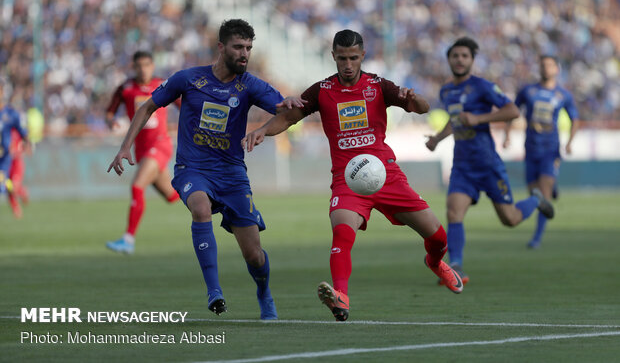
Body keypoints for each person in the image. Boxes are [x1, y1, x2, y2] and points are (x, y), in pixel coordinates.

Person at [243, 29, 464, 322]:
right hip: (348, 180)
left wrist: (415, 98)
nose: (348, 64)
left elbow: (421, 108)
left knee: (438, 237)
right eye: (342, 58)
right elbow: (288, 117)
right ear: (333, 56)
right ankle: (341, 298)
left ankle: (435, 262)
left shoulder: (378, 85)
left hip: (386, 176)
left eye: (353, 58)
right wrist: (261, 130)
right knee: (342, 232)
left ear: (362, 56)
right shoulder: (321, 90)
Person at [108, 19, 304, 320]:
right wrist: (124, 147)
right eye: (239, 47)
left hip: (232, 174)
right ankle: (214, 291)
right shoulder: (188, 79)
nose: (245, 54)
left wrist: (266, 127)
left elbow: (287, 114)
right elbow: (147, 107)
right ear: (221, 47)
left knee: (253, 254)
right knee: (200, 208)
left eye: (249, 48)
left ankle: (264, 292)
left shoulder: (250, 84)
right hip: (192, 167)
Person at [425, 37, 555, 284]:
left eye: (465, 56)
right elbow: (454, 120)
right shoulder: (446, 90)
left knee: (511, 219)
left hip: (488, 165)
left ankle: (536, 200)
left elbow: (513, 111)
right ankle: (456, 267)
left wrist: (479, 118)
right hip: (462, 166)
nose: (460, 60)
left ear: (472, 60)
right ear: (449, 59)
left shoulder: (483, 87)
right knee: (453, 212)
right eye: (455, 55)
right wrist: (437, 139)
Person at [105, 51, 180, 254]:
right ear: (134, 67)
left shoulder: (163, 85)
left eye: (147, 65)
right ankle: (211, 198)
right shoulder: (126, 89)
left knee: (137, 186)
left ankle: (128, 239)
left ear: (152, 66)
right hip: (141, 149)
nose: (143, 69)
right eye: (139, 66)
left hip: (160, 144)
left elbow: (184, 106)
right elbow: (109, 111)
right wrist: (111, 121)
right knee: (173, 195)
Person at [503, 55, 579, 248]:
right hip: (530, 148)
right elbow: (512, 111)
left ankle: (536, 238)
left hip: (550, 150)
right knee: (534, 195)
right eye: (543, 66)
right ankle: (552, 188)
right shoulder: (528, 91)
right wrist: (507, 135)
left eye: (550, 66)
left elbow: (574, 119)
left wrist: (569, 142)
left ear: (557, 69)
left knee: (542, 196)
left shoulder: (563, 95)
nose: (546, 69)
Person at [0, 81, 29, 210]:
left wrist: (28, 143)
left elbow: (22, 131)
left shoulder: (10, 114)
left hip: (3, 157)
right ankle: (18, 190)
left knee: (1, 185)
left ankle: (18, 190)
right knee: (4, 184)